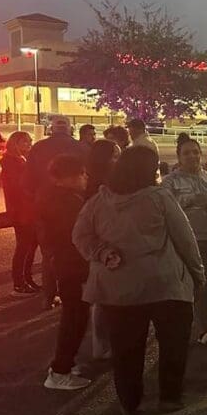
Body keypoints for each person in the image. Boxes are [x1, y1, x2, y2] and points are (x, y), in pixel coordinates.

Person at [73, 145, 205, 415]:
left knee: (126, 350)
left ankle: (130, 403)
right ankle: (169, 397)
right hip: (165, 284)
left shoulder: (98, 201)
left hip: (118, 289)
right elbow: (185, 239)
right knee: (173, 345)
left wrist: (102, 252)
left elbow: (80, 236)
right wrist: (198, 274)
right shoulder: (159, 197)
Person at [161, 134, 207, 347]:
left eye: (195, 152)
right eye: (186, 153)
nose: (192, 156)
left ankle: (204, 328)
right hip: (184, 245)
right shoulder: (170, 182)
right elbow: (162, 210)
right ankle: (178, 328)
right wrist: (191, 199)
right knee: (182, 288)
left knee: (205, 286)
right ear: (179, 157)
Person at [37, 155, 92, 390]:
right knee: (75, 318)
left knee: (75, 315)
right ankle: (60, 370)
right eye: (82, 173)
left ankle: (66, 364)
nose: (85, 177)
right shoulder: (68, 202)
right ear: (70, 176)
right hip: (72, 265)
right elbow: (78, 236)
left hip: (63, 263)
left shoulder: (52, 195)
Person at [27, 115, 85, 309]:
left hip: (45, 204)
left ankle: (49, 295)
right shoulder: (80, 147)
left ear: (51, 128)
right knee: (75, 249)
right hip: (75, 204)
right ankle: (74, 295)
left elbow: (26, 180)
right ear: (70, 128)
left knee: (49, 251)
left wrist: (37, 195)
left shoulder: (38, 148)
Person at [84, 138, 121, 361]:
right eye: (115, 156)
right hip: (102, 248)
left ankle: (107, 343)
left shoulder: (116, 181)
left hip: (114, 246)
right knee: (102, 299)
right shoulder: (94, 186)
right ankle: (101, 345)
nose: (119, 160)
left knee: (110, 298)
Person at [1, 130, 39, 295]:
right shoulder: (11, 162)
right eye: (25, 141)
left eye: (30, 141)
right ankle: (19, 283)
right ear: (15, 143)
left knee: (31, 246)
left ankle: (27, 279)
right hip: (21, 211)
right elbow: (19, 186)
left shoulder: (22, 159)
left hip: (28, 209)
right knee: (24, 246)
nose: (29, 144)